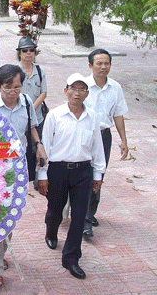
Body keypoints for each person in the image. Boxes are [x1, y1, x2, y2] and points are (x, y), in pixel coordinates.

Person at [0, 64, 48, 288]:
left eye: (17, 88)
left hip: (18, 169)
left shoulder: (27, 102)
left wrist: (38, 145)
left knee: (10, 216)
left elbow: (31, 127)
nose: (13, 93)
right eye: (8, 88)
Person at [39, 73, 106, 280]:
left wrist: (98, 174)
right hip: (58, 169)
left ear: (87, 94)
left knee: (78, 216)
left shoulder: (92, 117)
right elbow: (45, 147)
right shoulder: (55, 115)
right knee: (56, 210)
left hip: (83, 171)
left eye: (82, 89)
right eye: (73, 89)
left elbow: (97, 147)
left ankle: (71, 258)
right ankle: (51, 230)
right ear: (66, 90)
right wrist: (42, 174)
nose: (77, 93)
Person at [82, 49, 129, 237]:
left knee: (98, 175)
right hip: (85, 137)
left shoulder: (115, 87)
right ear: (90, 65)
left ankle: (89, 212)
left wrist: (124, 140)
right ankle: (84, 220)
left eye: (106, 63)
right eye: (99, 63)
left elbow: (118, 114)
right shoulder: (83, 85)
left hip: (104, 136)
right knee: (85, 176)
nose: (103, 67)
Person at [17, 37, 47, 138]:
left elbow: (43, 93)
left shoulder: (39, 70)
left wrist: (32, 107)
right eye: (24, 50)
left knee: (37, 148)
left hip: (37, 118)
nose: (28, 53)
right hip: (19, 118)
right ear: (19, 53)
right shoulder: (14, 71)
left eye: (31, 50)